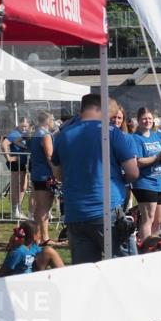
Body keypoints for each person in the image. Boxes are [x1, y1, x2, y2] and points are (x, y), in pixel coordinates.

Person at [51, 93, 139, 264]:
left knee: (85, 273)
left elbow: (58, 174)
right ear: (102, 108)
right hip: (107, 210)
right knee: (125, 269)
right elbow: (133, 172)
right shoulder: (112, 133)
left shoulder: (63, 135)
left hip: (75, 213)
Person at [131, 107, 161, 239]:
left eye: (149, 118)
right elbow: (138, 161)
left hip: (159, 182)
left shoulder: (158, 135)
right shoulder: (136, 138)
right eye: (144, 118)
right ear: (138, 120)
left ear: (153, 120)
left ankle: (155, 247)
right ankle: (144, 248)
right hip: (145, 183)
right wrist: (157, 157)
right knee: (148, 219)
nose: (147, 121)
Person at [29, 111, 57, 246]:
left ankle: (38, 236)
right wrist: (56, 172)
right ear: (47, 121)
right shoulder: (44, 135)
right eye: (52, 120)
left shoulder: (35, 134)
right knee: (44, 207)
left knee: (41, 206)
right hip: (44, 174)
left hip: (37, 173)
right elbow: (49, 156)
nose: (53, 122)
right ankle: (44, 237)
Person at [0, 117, 31, 220]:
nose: (24, 128)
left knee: (23, 187)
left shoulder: (24, 134)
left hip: (23, 163)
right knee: (16, 187)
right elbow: (4, 144)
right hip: (16, 163)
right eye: (23, 126)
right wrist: (8, 157)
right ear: (19, 125)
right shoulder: (15, 133)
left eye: (26, 126)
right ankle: (15, 211)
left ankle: (18, 209)